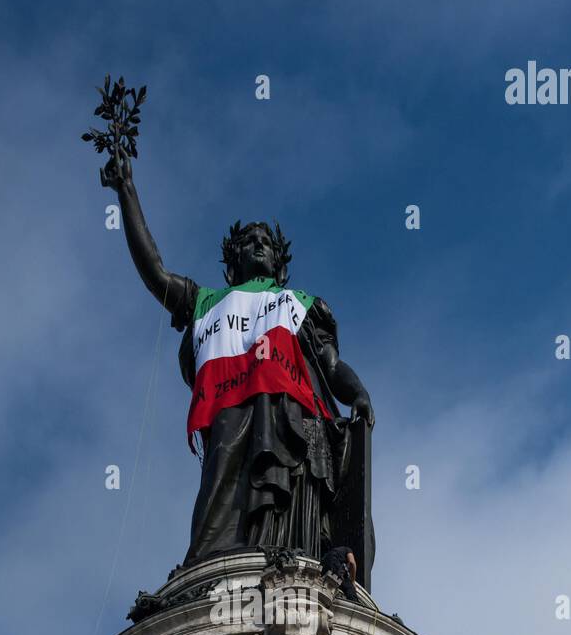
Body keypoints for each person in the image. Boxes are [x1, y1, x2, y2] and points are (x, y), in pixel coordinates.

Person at [102, 150, 374, 568]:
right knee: (222, 496)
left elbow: (330, 363)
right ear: (232, 268)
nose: (258, 246)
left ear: (281, 270)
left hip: (295, 415)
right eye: (249, 242)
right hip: (231, 411)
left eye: (266, 242)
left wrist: (357, 392)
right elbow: (155, 274)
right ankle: (218, 566)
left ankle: (297, 560)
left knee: (298, 501)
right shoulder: (206, 302)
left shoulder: (299, 305)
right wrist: (126, 190)